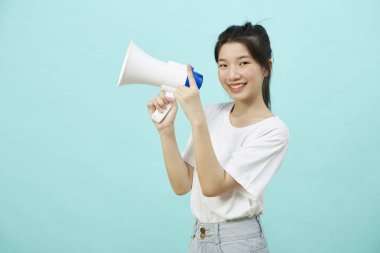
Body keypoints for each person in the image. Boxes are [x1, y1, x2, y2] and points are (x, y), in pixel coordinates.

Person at [147, 22, 289, 253]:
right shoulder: (213, 112)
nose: (232, 75)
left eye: (243, 63)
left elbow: (213, 186)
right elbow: (182, 184)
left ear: (266, 67)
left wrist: (197, 120)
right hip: (199, 238)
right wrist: (166, 131)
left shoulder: (273, 131)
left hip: (238, 242)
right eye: (223, 65)